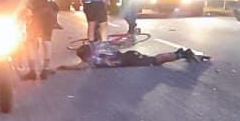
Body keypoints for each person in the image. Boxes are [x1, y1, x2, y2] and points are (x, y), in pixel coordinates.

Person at [4, 0, 45, 80]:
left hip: (25, 17)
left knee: (28, 43)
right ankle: (15, 68)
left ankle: (32, 69)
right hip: (11, 16)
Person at [25, 0, 59, 78]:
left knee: (30, 41)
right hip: (45, 12)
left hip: (34, 13)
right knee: (46, 40)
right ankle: (45, 69)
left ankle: (33, 70)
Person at [71, 41, 209, 69]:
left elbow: (79, 66)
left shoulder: (94, 59)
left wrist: (62, 67)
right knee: (156, 60)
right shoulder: (99, 50)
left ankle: (180, 54)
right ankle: (180, 54)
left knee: (156, 60)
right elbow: (115, 44)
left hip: (131, 58)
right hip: (130, 56)